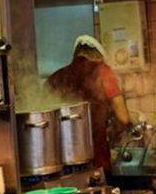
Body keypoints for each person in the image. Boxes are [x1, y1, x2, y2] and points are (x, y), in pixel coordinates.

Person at [47, 35, 131, 172]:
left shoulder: (55, 78)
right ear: (98, 56)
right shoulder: (102, 71)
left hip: (62, 163)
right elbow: (123, 116)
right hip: (95, 158)